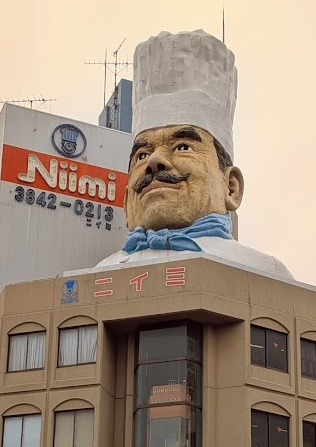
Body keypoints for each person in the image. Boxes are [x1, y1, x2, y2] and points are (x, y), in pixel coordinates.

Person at [86, 30, 296, 285]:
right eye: (141, 155)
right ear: (125, 201)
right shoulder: (98, 277)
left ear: (231, 186)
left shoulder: (265, 274)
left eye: (182, 147)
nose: (154, 162)